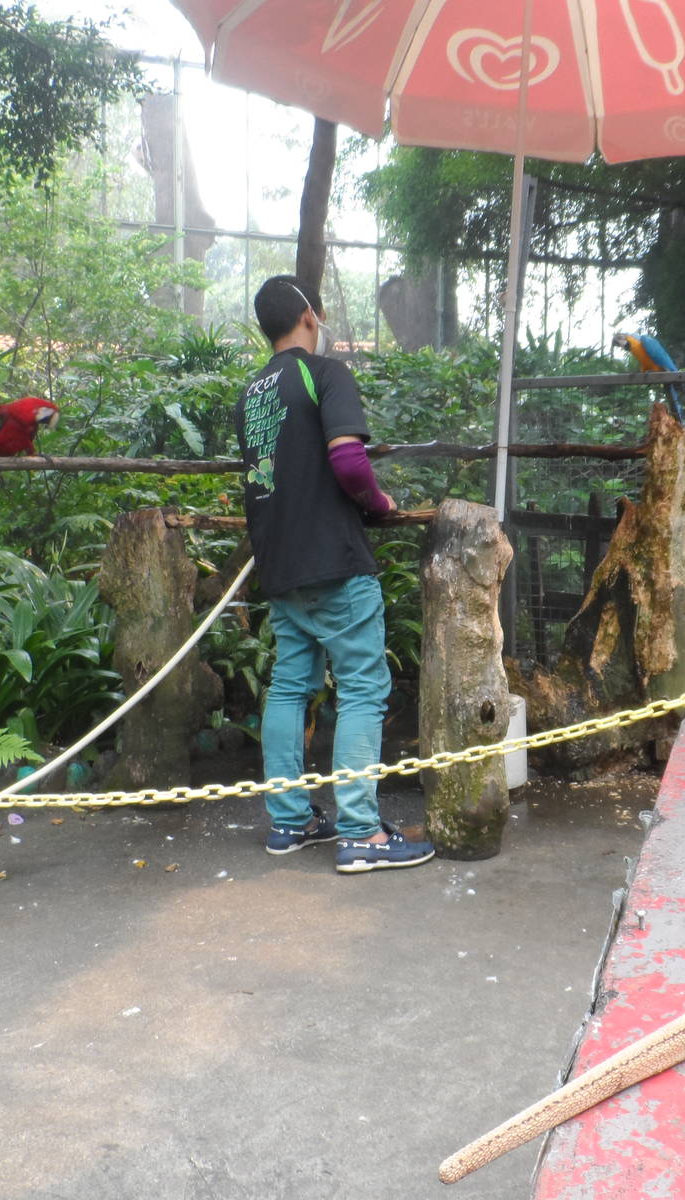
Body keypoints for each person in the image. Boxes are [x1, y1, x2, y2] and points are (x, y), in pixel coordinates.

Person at [236, 274, 434, 873]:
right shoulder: (324, 374)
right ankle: (360, 833)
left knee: (291, 687)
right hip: (335, 565)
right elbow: (348, 460)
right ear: (310, 317)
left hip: (281, 565)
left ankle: (290, 822)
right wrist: (380, 504)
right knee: (364, 689)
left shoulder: (251, 394)